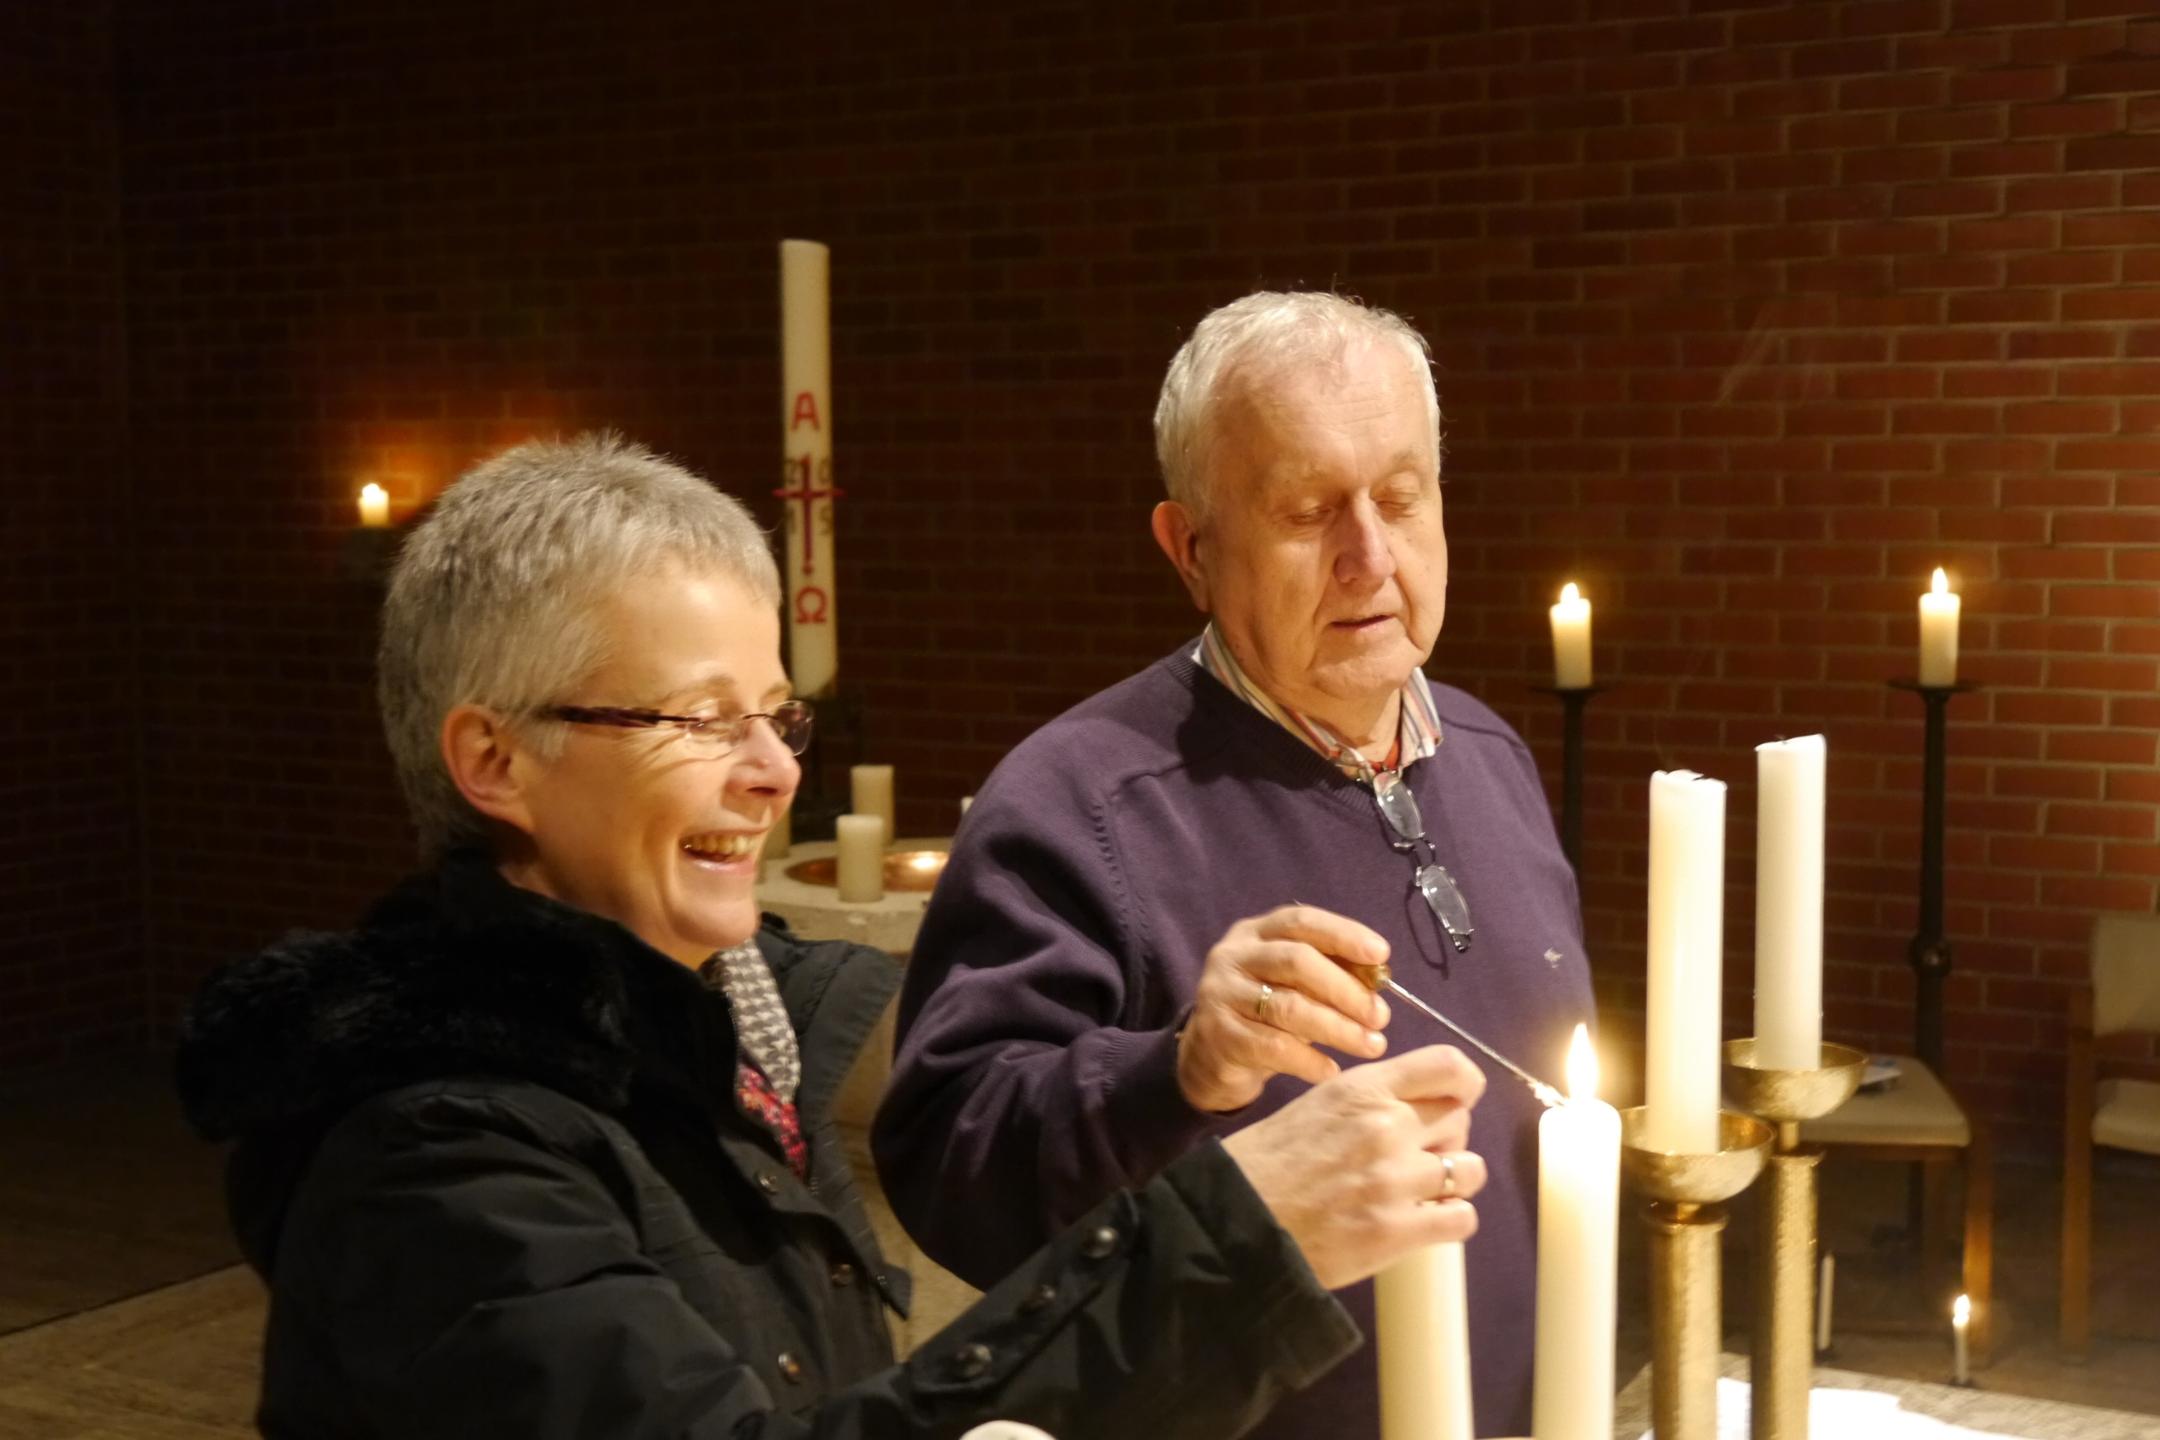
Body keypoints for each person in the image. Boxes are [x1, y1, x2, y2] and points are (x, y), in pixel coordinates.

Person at [173, 433, 1493, 1440]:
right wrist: (1232, 1244)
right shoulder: (433, 1169)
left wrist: (1188, 1058)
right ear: (495, 760)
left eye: (776, 715)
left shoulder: (730, 1021)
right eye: (700, 719)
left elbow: (973, 1092)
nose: (774, 774)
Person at [874, 293, 1595, 1438]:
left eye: (1401, 497)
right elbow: (945, 1163)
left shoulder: (1490, 754)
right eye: (1308, 511)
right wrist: (1175, 1074)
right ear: (1192, 549)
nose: (1369, 556)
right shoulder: (1077, 805)